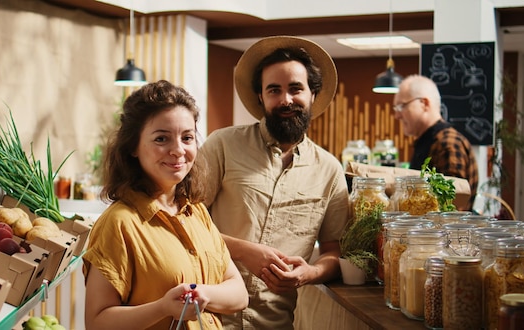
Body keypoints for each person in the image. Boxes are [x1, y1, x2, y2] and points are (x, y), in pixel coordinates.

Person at [199, 36, 350, 329]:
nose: (285, 100)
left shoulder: (329, 170)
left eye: (295, 88)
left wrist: (311, 273)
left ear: (313, 94)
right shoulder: (223, 145)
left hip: (276, 322)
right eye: (274, 90)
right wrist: (244, 251)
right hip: (207, 317)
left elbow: (334, 250)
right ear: (260, 96)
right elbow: (184, 222)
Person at [83, 80, 249, 330]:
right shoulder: (119, 223)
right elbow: (97, 322)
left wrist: (202, 294)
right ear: (133, 147)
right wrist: (162, 308)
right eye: (162, 138)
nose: (178, 150)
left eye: (187, 138)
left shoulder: (196, 212)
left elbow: (239, 294)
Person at [393, 74, 479, 211]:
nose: (397, 115)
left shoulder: (447, 144)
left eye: (402, 106)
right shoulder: (430, 141)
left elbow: (452, 205)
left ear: (424, 104)